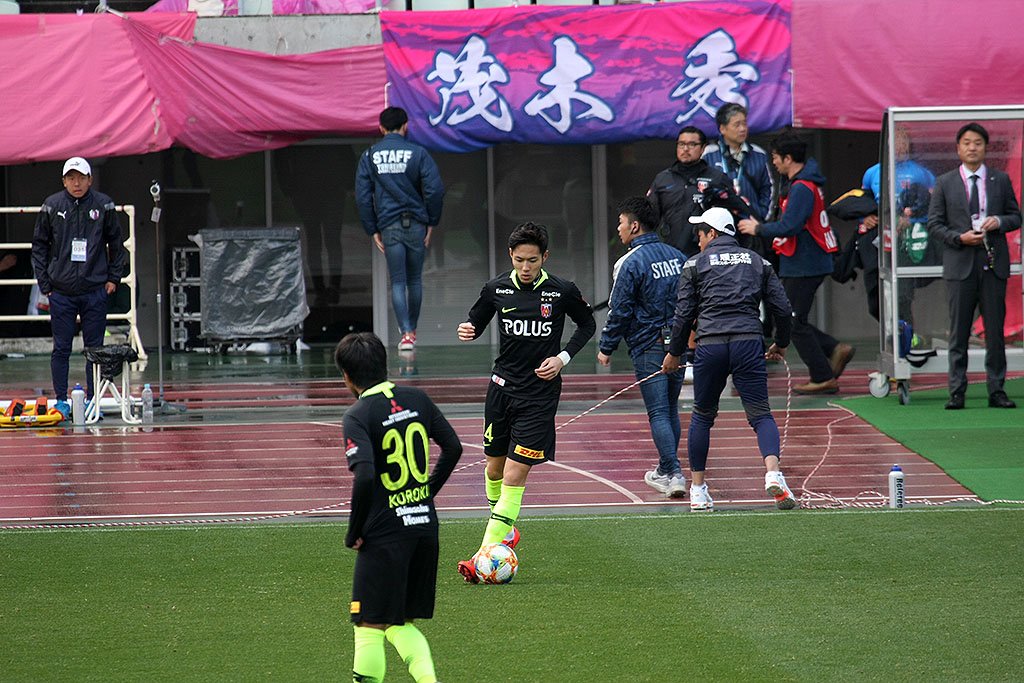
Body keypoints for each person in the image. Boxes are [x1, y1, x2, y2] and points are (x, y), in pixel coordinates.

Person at [455, 222, 596, 582]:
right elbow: (475, 321)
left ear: (545, 257)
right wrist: (467, 329)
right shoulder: (496, 288)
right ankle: (506, 531)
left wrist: (562, 358)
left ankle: (482, 555)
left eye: (532, 260)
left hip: (539, 396)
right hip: (500, 391)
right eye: (519, 260)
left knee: (515, 474)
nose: (526, 267)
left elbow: (587, 325)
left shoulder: (562, 291)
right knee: (494, 470)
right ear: (511, 256)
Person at [336, 332, 463, 683]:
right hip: (424, 529)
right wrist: (425, 494)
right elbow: (453, 447)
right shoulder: (417, 398)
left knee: (367, 625)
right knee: (399, 623)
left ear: (346, 376)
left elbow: (364, 476)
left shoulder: (357, 415)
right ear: (384, 363)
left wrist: (354, 532)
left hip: (385, 535)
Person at [662, 207, 797, 511]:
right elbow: (783, 309)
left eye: (700, 234)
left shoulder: (694, 264)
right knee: (761, 414)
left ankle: (698, 490)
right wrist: (781, 343)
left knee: (702, 416)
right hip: (748, 342)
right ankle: (773, 473)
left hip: (710, 345)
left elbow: (683, 315)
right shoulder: (759, 262)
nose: (698, 240)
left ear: (712, 233)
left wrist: (674, 353)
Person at [737, 131, 854, 395]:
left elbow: (790, 226)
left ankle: (823, 375)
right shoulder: (803, 183)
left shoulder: (801, 187)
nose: (774, 162)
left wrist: (759, 229)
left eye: (776, 157)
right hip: (803, 262)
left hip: (805, 263)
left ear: (788, 158)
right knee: (794, 319)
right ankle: (834, 349)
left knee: (792, 322)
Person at [927, 122, 1021, 410]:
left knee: (995, 332)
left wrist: (998, 222)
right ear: (958, 149)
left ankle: (997, 390)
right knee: (959, 333)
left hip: (993, 264)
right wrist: (959, 238)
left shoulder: (1000, 180)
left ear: (985, 148)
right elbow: (934, 224)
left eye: (977, 143)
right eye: (967, 143)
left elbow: (1016, 216)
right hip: (960, 265)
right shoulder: (945, 182)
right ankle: (957, 391)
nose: (972, 148)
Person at [597, 196, 687, 498]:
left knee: (658, 412)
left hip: (648, 346)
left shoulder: (630, 262)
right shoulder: (678, 257)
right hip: (677, 345)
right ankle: (666, 468)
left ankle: (673, 472)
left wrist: (606, 347)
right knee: (670, 409)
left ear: (634, 226)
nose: (618, 229)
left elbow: (619, 310)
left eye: (621, 223)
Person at [647, 125, 747, 378]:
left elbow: (738, 212)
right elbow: (650, 219)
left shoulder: (716, 177)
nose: (686, 149)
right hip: (672, 255)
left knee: (708, 307)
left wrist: (719, 198)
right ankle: (680, 357)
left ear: (702, 148)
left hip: (710, 257)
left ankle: (702, 357)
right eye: (681, 144)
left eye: (692, 144)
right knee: (678, 308)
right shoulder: (663, 179)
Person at [31, 157, 127, 418]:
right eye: (71, 178)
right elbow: (39, 246)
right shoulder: (52, 205)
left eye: (82, 177)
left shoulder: (104, 204)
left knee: (95, 349)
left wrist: (113, 279)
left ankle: (93, 400)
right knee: (61, 348)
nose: (77, 183)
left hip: (95, 289)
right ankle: (62, 401)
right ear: (64, 181)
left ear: (90, 179)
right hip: (60, 291)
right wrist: (45, 284)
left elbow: (116, 244)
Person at [356, 107, 445, 351]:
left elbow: (363, 197)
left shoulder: (370, 156)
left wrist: (372, 228)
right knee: (415, 279)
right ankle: (411, 332)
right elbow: (435, 190)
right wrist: (431, 222)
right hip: (416, 224)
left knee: (397, 281)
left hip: (389, 225)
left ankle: (405, 332)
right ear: (405, 126)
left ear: (381, 128)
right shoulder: (418, 153)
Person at [859, 127, 937, 322]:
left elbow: (934, 206)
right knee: (876, 296)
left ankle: (906, 332)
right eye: (894, 141)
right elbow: (862, 203)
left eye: (903, 141)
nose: (899, 146)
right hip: (880, 236)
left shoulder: (922, 173)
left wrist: (913, 219)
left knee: (902, 294)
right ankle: (892, 330)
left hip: (908, 236)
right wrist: (865, 218)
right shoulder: (872, 173)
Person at [702, 103, 775, 224]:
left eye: (744, 123)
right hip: (717, 224)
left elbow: (767, 188)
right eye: (737, 125)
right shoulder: (709, 154)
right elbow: (701, 188)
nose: (742, 129)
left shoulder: (758, 154)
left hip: (751, 223)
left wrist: (762, 216)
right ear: (722, 129)